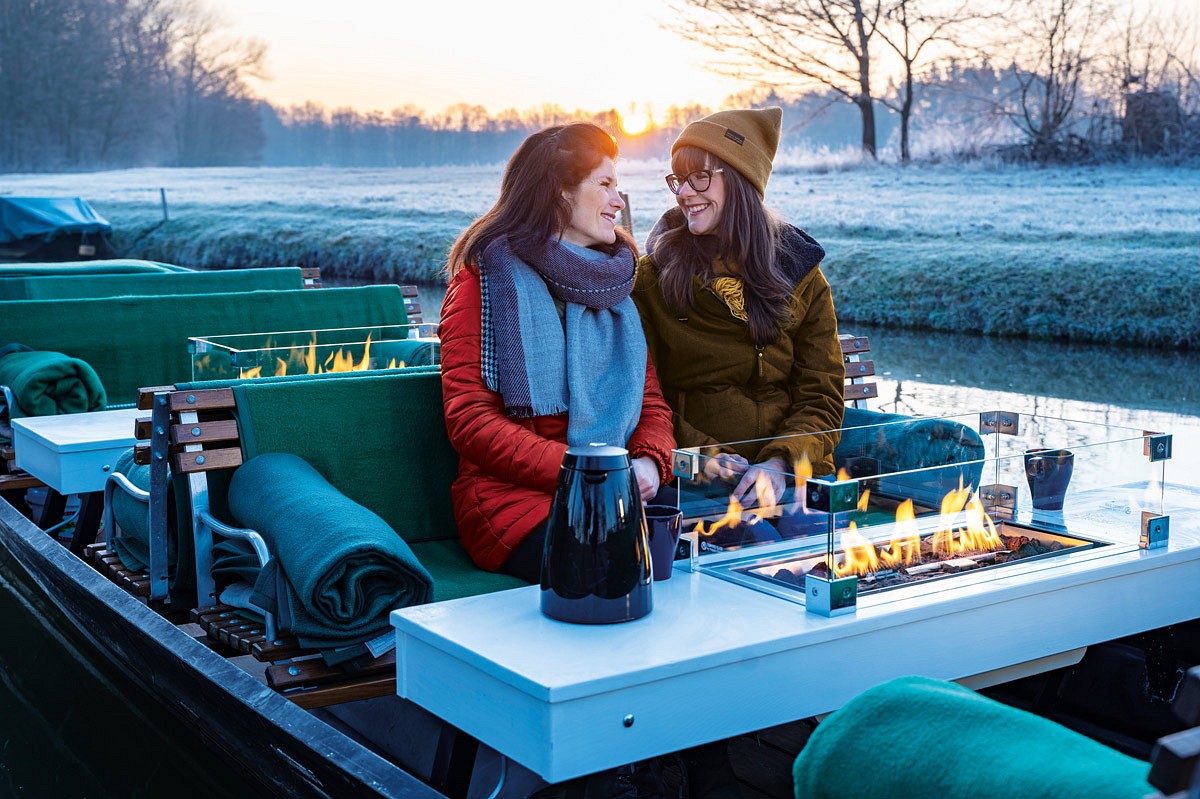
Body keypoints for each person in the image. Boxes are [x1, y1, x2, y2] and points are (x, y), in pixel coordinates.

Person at [439, 122, 676, 582]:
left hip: (615, 488)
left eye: (617, 185)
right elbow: (470, 422)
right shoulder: (483, 284)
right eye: (604, 184)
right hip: (514, 502)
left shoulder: (615, 287)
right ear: (560, 193)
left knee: (710, 535)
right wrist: (590, 472)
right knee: (614, 566)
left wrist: (649, 461)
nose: (618, 200)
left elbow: (649, 403)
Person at [633, 106, 845, 523]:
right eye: (679, 179)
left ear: (743, 179)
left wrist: (781, 462)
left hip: (792, 479)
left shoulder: (802, 275)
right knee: (762, 552)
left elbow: (821, 394)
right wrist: (708, 458)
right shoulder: (653, 278)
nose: (684, 193)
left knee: (821, 543)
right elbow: (643, 399)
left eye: (700, 177)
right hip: (700, 484)